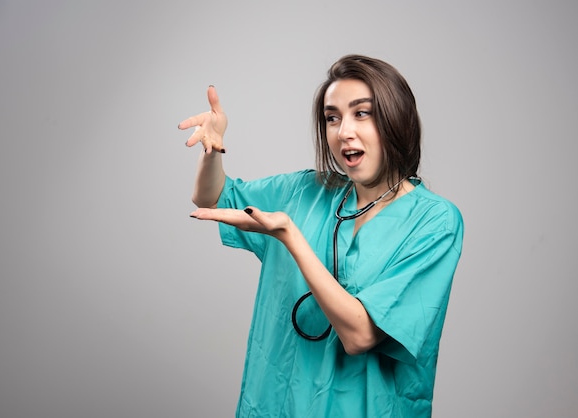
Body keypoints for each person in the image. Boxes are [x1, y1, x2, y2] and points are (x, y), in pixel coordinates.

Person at [179, 54, 464, 418]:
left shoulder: (435, 222)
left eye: (362, 113)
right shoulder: (307, 191)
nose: (344, 131)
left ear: (397, 119)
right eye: (332, 117)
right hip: (275, 404)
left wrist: (291, 237)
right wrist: (211, 151)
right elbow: (214, 197)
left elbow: (360, 334)